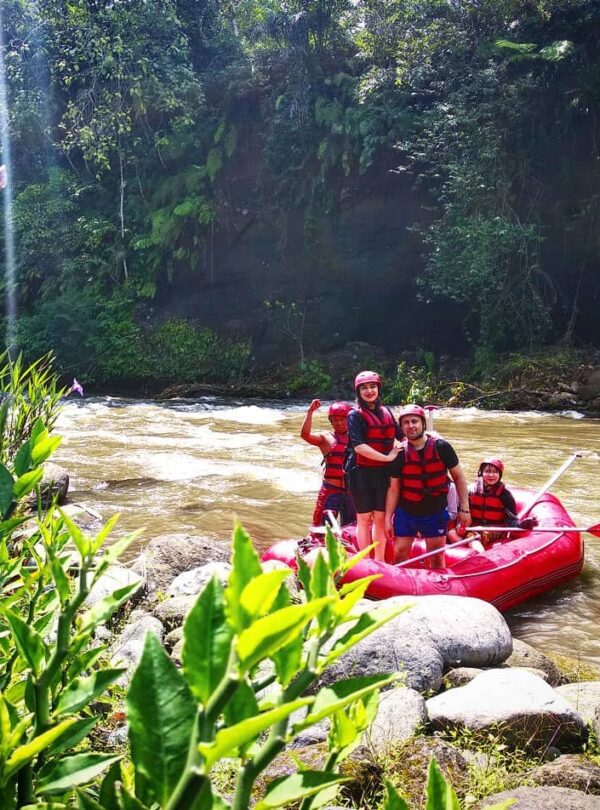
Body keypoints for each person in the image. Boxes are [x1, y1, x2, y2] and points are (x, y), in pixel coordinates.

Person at [385, 404, 471, 568]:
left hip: (434, 513)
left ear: (423, 424)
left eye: (415, 421)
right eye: (406, 423)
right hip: (406, 513)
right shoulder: (399, 454)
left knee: (437, 558)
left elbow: (459, 478)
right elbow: (393, 489)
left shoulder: (442, 447)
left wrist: (464, 509)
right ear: (401, 427)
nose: (411, 426)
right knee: (399, 554)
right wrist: (388, 519)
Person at [345, 371, 402, 561]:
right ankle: (366, 561)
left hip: (380, 473)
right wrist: (387, 458)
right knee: (364, 518)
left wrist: (428, 440)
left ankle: (379, 560)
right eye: (364, 388)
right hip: (360, 472)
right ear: (358, 391)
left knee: (379, 517)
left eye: (372, 387)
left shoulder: (386, 412)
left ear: (378, 388)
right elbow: (359, 446)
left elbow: (402, 437)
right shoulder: (354, 415)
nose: (369, 391)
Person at [447, 458, 537, 548]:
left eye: (495, 472)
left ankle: (478, 557)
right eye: (487, 471)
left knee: (472, 537)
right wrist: (461, 526)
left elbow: (512, 522)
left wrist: (522, 525)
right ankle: (468, 553)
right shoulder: (471, 491)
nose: (491, 475)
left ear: (500, 475)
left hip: (495, 530)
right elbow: (462, 513)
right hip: (473, 528)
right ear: (481, 473)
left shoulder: (505, 496)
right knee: (451, 533)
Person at [300, 399, 356, 526]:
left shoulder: (358, 439)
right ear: (331, 421)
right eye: (335, 420)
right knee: (321, 528)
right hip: (331, 491)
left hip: (352, 492)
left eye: (343, 419)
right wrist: (310, 412)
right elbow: (305, 435)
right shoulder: (326, 439)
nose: (339, 423)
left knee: (351, 529)